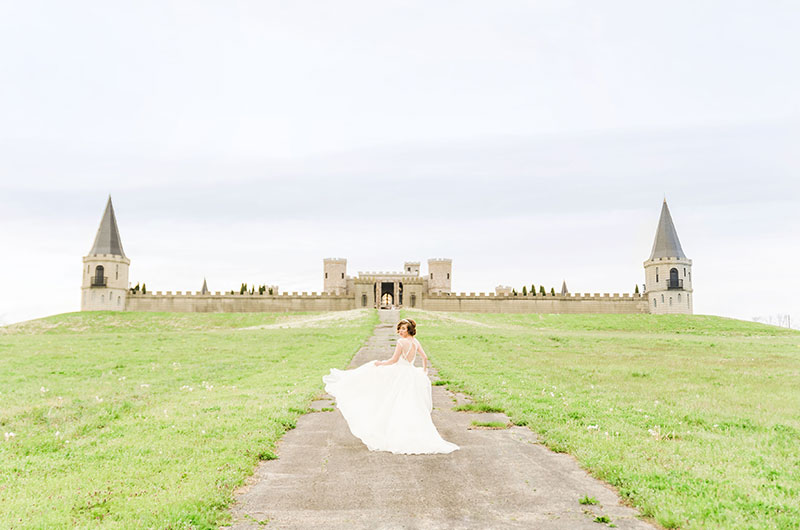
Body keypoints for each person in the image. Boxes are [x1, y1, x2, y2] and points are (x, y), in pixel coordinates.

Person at [322, 318, 460, 455]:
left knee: (394, 401)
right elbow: (424, 357)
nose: (400, 331)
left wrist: (381, 364)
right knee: (411, 404)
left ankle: (395, 434)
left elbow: (394, 360)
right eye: (399, 328)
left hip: (401, 373)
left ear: (409, 330)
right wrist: (424, 371)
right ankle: (413, 433)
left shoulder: (401, 342)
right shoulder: (416, 342)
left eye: (403, 329)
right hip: (412, 373)